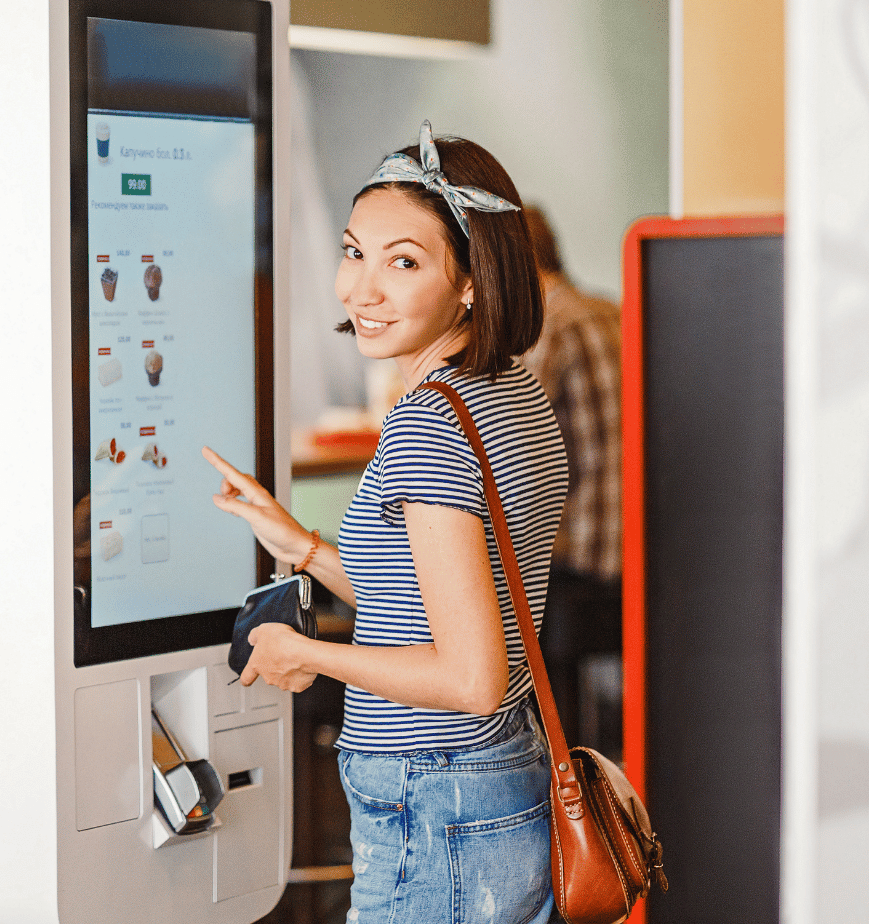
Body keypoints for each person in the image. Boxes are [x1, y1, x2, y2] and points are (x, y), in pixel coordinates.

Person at [203, 123, 568, 924]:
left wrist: (306, 652)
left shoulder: (428, 422)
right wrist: (304, 547)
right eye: (354, 250)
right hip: (498, 774)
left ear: (471, 281)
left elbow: (469, 678)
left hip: (432, 792)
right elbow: (436, 603)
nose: (359, 288)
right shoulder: (511, 395)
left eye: (403, 261)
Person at [518, 206, 624, 755]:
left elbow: (507, 443)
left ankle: (553, 786)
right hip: (638, 557)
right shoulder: (611, 310)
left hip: (579, 560)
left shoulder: (547, 328)